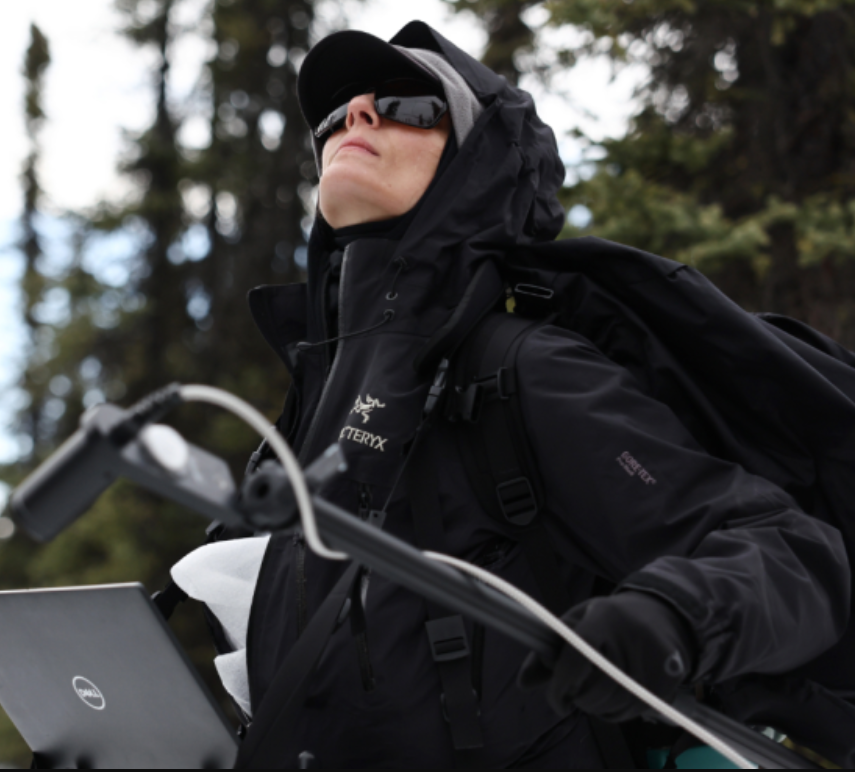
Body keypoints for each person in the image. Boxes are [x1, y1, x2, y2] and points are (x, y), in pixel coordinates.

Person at [172, 21, 851, 768]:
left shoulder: (520, 368)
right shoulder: (313, 401)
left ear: (476, 168)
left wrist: (667, 619)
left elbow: (790, 552)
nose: (354, 117)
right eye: (335, 117)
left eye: (409, 106)